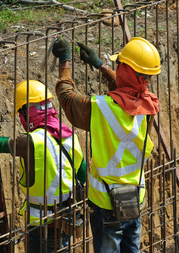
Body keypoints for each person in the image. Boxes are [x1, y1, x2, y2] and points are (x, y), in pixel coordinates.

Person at [52, 36, 161, 253]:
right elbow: (127, 90)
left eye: (119, 65)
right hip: (135, 199)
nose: (117, 68)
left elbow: (67, 97)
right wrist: (100, 66)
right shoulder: (148, 104)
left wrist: (65, 62)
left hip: (106, 203)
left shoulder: (99, 108)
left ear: (127, 71)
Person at [0, 79, 86, 253]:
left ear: (25, 113)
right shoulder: (69, 135)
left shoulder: (29, 141)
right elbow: (81, 176)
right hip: (68, 219)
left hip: (41, 224)